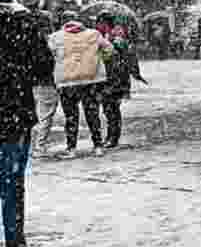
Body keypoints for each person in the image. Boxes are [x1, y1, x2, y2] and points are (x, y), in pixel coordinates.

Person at [0, 0, 54, 247]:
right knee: (10, 182)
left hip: (11, 111)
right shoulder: (21, 21)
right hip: (12, 112)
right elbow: (42, 68)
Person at [49, 13, 113, 158]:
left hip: (67, 81)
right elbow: (110, 49)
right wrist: (98, 59)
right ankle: (98, 146)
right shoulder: (94, 34)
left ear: (62, 23)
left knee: (71, 116)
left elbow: (50, 55)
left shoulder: (55, 37)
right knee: (92, 113)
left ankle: (71, 149)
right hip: (90, 80)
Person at [96, 14, 148, 148]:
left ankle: (112, 138)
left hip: (114, 79)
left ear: (105, 24)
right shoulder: (109, 37)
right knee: (110, 109)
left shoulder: (116, 39)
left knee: (111, 109)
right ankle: (111, 136)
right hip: (111, 78)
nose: (97, 26)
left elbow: (126, 58)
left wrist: (134, 74)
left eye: (99, 23)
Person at [30, 10, 60, 155]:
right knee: (45, 115)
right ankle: (39, 147)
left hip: (30, 82)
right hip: (46, 82)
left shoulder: (26, 38)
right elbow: (47, 63)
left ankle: (31, 146)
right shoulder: (46, 41)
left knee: (35, 115)